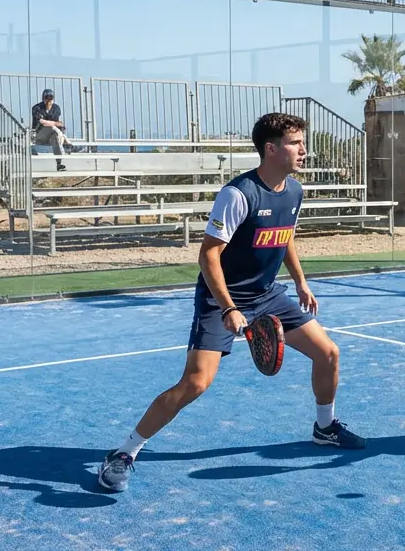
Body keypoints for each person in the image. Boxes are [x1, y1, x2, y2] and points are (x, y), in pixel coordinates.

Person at [97, 113, 365, 493]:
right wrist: (227, 308)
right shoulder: (238, 194)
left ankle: (325, 428)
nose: (304, 149)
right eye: (295, 142)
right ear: (271, 149)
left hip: (268, 295)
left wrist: (301, 282)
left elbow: (284, 235)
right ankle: (123, 453)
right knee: (196, 382)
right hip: (220, 296)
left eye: (302, 142)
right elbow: (208, 255)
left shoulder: (294, 191)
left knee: (329, 354)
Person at [30, 89, 73, 171]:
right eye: (47, 97)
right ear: (43, 98)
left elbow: (52, 122)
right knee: (51, 128)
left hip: (53, 135)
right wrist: (54, 123)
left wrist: (50, 122)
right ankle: (67, 143)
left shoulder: (56, 108)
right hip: (40, 134)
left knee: (55, 138)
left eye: (51, 97)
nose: (49, 100)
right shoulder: (37, 108)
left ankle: (59, 163)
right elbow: (42, 123)